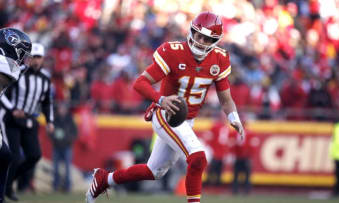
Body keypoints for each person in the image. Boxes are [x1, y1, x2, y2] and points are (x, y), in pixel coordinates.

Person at [86, 11, 245, 203]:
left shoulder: (220, 59)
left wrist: (233, 117)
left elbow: (226, 99)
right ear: (191, 31)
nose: (199, 40)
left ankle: (104, 179)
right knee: (198, 158)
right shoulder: (173, 51)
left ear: (215, 41)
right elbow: (140, 83)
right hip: (166, 114)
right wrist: (161, 100)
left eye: (205, 38)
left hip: (188, 120)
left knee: (154, 171)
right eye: (197, 34)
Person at [1, 42, 54, 201]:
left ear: (43, 59)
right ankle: (5, 187)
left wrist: (50, 120)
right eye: (33, 57)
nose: (36, 61)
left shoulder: (45, 78)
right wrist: (12, 109)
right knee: (14, 156)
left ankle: (9, 184)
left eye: (39, 57)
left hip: (31, 120)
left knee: (34, 155)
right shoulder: (17, 73)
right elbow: (2, 93)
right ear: (28, 59)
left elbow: (46, 101)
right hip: (13, 120)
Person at [0, 28, 32, 203]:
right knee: (4, 155)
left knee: (5, 155)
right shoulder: (5, 66)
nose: (23, 59)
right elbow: (10, 75)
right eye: (22, 53)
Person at [49, 103, 77, 193]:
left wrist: (68, 139)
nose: (61, 110)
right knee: (55, 168)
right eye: (60, 109)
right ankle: (55, 186)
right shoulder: (55, 120)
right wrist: (54, 138)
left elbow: (75, 133)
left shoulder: (70, 120)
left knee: (68, 168)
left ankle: (67, 187)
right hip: (56, 147)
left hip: (67, 147)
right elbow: (50, 132)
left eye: (63, 109)